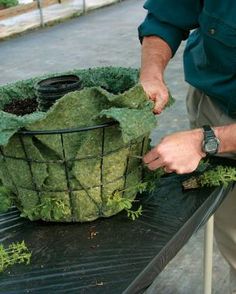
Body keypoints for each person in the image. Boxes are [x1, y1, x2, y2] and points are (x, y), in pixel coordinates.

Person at [138, 0, 236, 292]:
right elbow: (166, 16)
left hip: (210, 135)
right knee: (232, 231)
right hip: (215, 101)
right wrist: (151, 72)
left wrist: (205, 140)